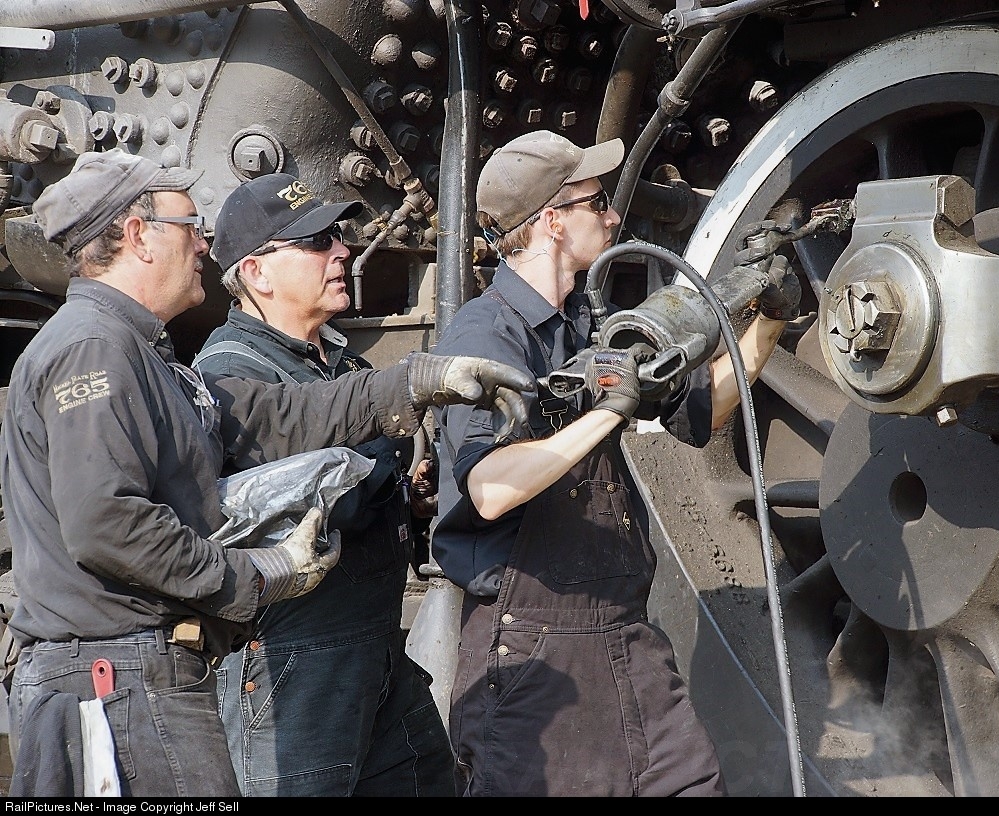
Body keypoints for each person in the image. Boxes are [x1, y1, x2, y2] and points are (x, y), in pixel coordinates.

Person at [0, 149, 534, 797]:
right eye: (189, 225)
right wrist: (255, 575)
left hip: (144, 671)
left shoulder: (141, 353)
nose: (203, 244)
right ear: (138, 236)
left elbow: (271, 414)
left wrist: (418, 381)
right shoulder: (95, 349)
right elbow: (108, 524)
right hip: (115, 677)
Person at [431, 130, 803, 796]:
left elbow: (701, 413)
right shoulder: (486, 334)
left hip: (627, 637)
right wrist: (608, 411)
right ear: (551, 221)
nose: (612, 217)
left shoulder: (588, 319)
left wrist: (769, 317)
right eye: (596, 201)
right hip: (534, 659)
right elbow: (490, 487)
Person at [193, 173, 455, 796]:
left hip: (375, 652)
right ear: (256, 273)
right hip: (295, 663)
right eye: (315, 241)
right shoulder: (228, 375)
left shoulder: (340, 363)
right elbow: (302, 497)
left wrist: (408, 498)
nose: (341, 251)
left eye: (338, 235)